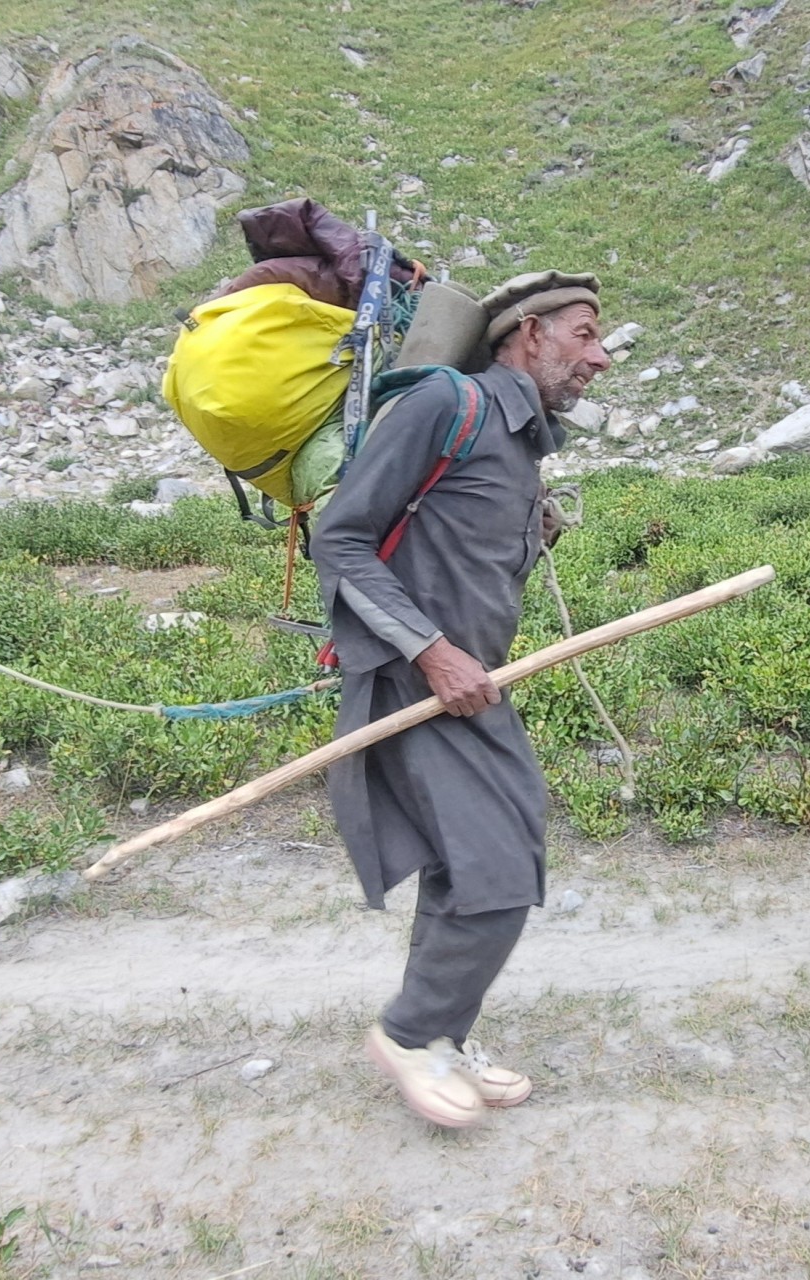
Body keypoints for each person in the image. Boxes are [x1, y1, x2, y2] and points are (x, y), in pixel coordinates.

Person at [309, 270, 610, 1128]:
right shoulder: (446, 406)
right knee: (499, 874)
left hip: (469, 688)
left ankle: (443, 1038)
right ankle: (409, 1034)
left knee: (478, 860)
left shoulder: (520, 441)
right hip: (413, 683)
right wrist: (432, 651)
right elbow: (343, 540)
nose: (602, 356)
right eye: (583, 334)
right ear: (527, 335)